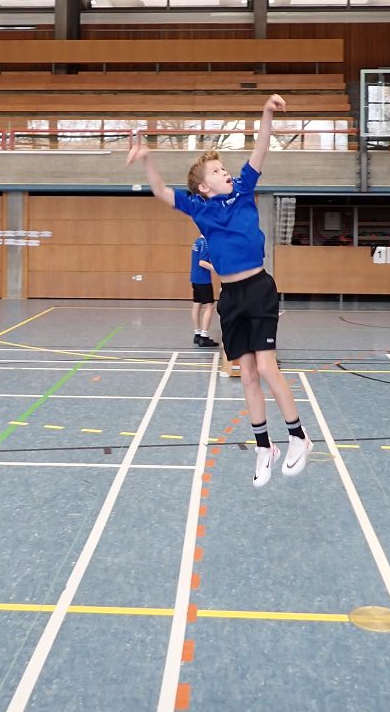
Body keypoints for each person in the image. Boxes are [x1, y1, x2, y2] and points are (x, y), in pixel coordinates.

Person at [127, 94, 312, 488]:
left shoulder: (243, 189)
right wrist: (146, 159)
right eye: (217, 170)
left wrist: (265, 112)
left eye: (224, 167)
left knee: (267, 367)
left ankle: (298, 436)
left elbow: (261, 148)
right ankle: (264, 446)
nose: (225, 171)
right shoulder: (200, 208)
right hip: (230, 298)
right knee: (247, 375)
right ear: (203, 186)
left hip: (259, 288)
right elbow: (159, 191)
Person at [190, 234, 218, 348]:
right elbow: (202, 262)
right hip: (203, 280)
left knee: (197, 304)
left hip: (195, 278)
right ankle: (204, 336)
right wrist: (216, 269)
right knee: (209, 306)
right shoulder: (206, 243)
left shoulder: (197, 242)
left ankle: (197, 334)